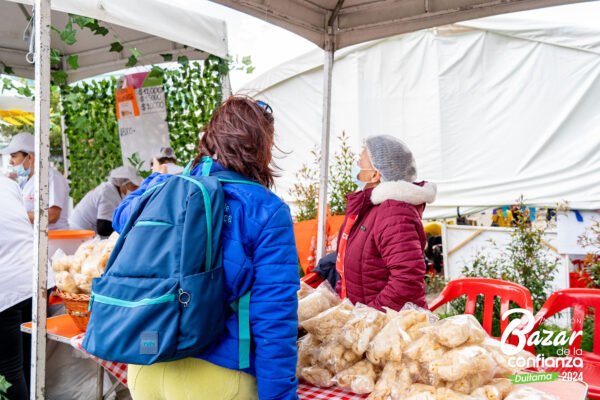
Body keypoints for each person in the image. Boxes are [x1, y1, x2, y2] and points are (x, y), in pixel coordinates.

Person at [113, 96, 299, 400]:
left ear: (210, 138)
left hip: (147, 362)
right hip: (217, 376)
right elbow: (274, 318)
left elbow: (122, 218)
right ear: (262, 147)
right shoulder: (265, 210)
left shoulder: (167, 190)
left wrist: (155, 180)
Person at [335, 135, 437, 311]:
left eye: (360, 160)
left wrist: (369, 316)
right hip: (366, 324)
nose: (356, 165)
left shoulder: (394, 213)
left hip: (388, 328)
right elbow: (347, 270)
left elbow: (407, 278)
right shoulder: (369, 208)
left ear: (375, 174)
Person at [0, 175, 33, 400]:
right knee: (26, 363)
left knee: (9, 370)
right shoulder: (7, 183)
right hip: (34, 278)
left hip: (7, 285)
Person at [1, 132, 70, 230]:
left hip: (52, 241)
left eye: (14, 156)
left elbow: (52, 215)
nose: (10, 162)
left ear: (29, 157)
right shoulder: (24, 180)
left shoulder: (52, 178)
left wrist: (14, 217)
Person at [69, 166, 142, 236]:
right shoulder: (108, 192)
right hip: (79, 232)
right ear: (122, 183)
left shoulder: (114, 192)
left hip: (84, 232)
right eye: (134, 186)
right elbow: (103, 228)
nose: (135, 190)